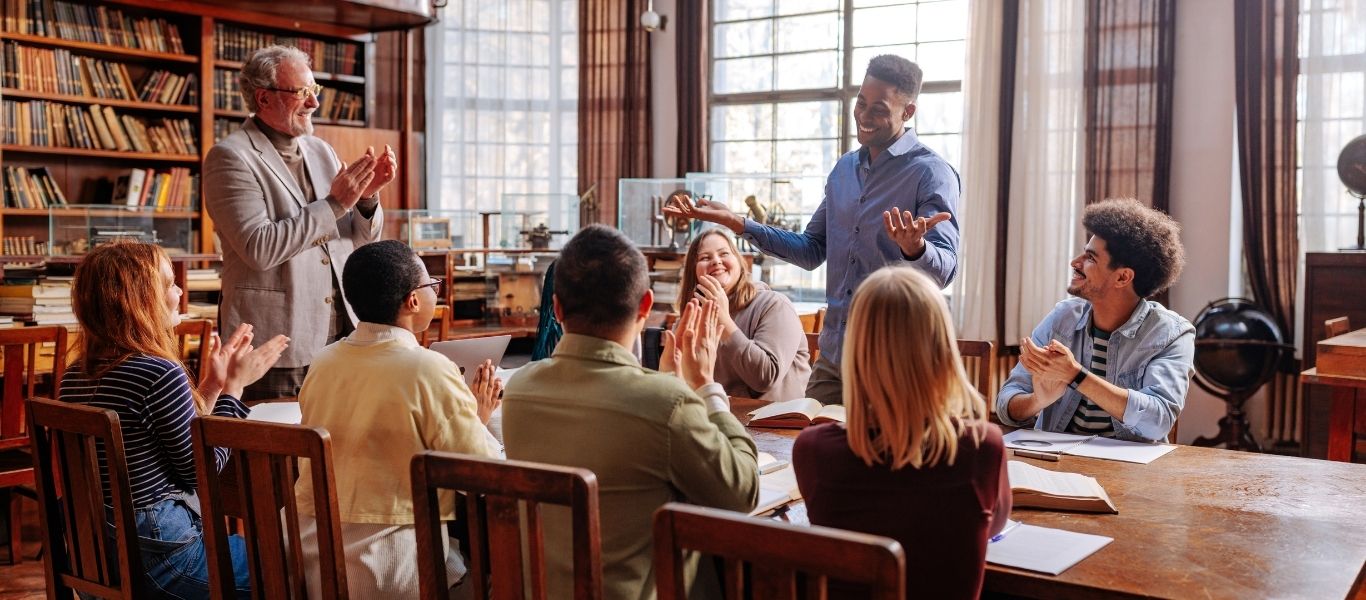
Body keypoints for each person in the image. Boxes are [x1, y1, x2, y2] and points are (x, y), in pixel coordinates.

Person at [665, 54, 961, 405]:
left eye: (878, 109)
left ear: (907, 112)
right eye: (860, 103)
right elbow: (810, 250)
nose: (864, 117)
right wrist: (738, 223)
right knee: (810, 447)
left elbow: (945, 270)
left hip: (893, 358)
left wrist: (916, 249)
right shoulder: (844, 170)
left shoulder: (931, 173)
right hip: (835, 356)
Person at [503, 225, 758, 599]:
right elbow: (742, 493)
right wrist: (705, 384)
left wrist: (667, 382)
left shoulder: (519, 391)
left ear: (556, 308)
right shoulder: (666, 402)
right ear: (645, 305)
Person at [61, 242, 288, 598]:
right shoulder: (158, 373)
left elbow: (172, 441)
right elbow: (202, 472)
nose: (180, 291)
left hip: (102, 560)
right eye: (168, 284)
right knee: (288, 563)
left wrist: (212, 386)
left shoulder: (74, 374)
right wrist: (234, 390)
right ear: (139, 301)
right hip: (162, 563)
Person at [294, 240, 503, 598]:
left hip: (313, 557)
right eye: (431, 284)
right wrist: (479, 419)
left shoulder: (324, 361)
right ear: (413, 300)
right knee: (487, 574)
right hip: (393, 567)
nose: (435, 291)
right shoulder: (428, 367)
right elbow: (483, 473)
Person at [792, 266, 1009, 599]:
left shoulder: (813, 449)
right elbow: (991, 526)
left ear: (856, 352)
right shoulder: (984, 446)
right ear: (943, 351)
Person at [205, 44, 395, 400]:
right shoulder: (230, 157)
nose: (314, 103)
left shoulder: (321, 150)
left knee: (332, 447)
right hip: (275, 341)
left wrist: (367, 199)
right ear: (264, 98)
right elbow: (259, 248)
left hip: (340, 335)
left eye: (314, 90)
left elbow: (357, 242)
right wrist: (336, 203)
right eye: (302, 93)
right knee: (281, 450)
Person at [997, 198, 1194, 443]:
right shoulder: (1062, 319)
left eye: (1090, 258)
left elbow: (1159, 420)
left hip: (1129, 472)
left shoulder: (1171, 334)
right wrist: (1038, 400)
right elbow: (1007, 402)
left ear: (1122, 277)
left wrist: (1076, 376)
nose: (1075, 263)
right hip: (1056, 464)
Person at [677, 229, 810, 401]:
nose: (716, 261)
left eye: (724, 253)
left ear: (739, 263)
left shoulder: (774, 305)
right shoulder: (693, 314)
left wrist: (722, 320)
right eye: (705, 258)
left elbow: (765, 378)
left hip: (774, 422)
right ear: (693, 272)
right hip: (718, 417)